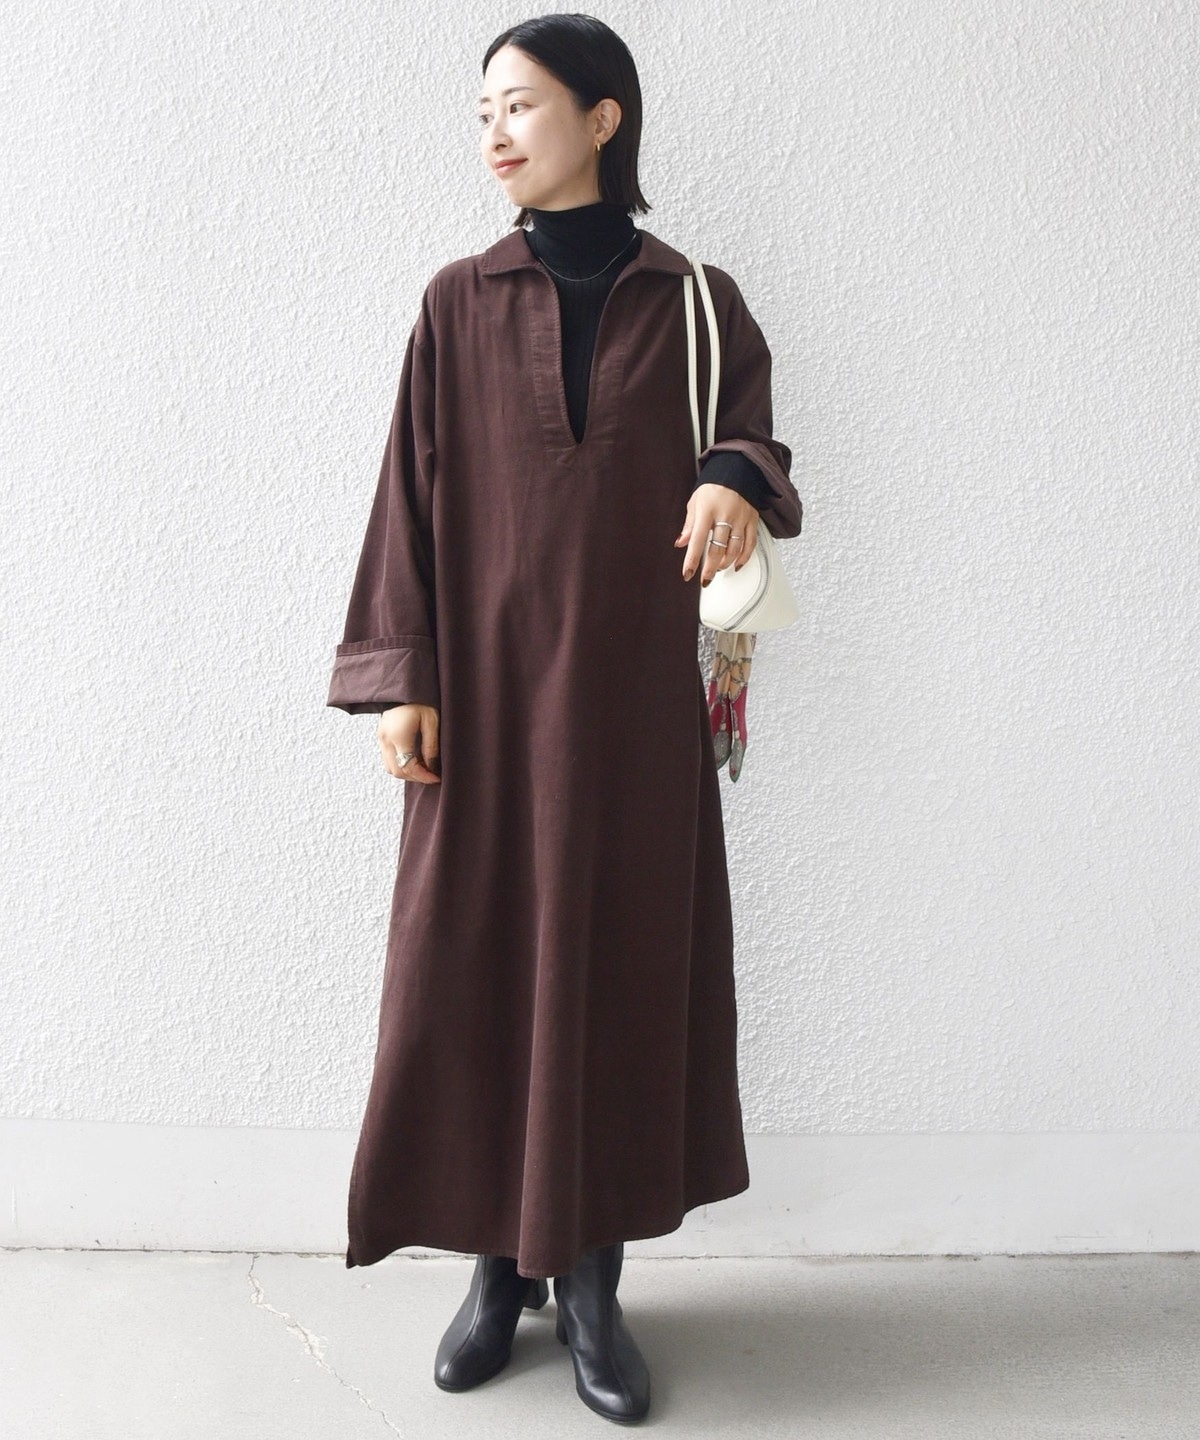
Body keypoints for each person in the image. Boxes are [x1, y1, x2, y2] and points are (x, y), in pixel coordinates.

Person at [325, 13, 803, 1425]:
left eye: (522, 104)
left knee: (616, 977)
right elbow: (408, 495)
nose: (495, 131)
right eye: (483, 110)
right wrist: (400, 676)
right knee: (472, 972)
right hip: (480, 708)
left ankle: (591, 1286)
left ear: (604, 119)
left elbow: (754, 436)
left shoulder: (698, 301)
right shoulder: (456, 303)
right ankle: (496, 1274)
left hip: (633, 715)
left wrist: (729, 474)